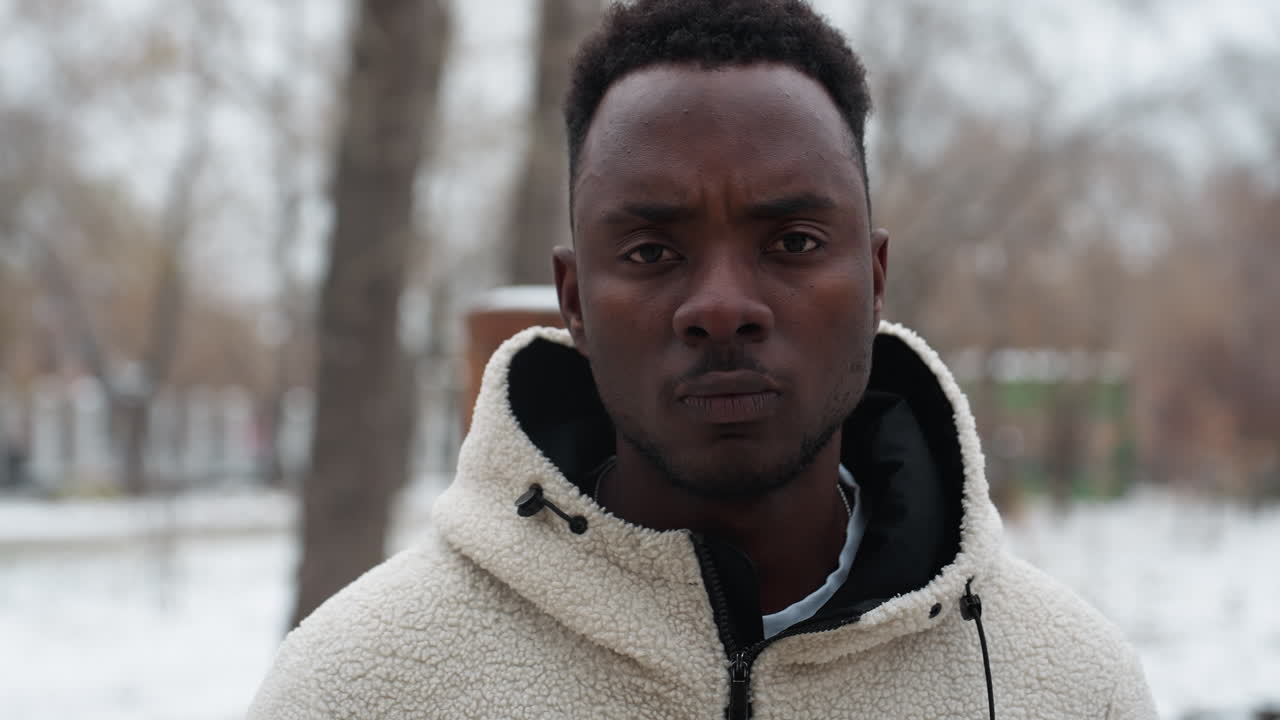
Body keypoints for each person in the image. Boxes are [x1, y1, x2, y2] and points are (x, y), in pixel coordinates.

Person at [249, 1, 1157, 717]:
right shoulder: (359, 689)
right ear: (573, 300)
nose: (722, 306)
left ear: (875, 278)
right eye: (651, 251)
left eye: (794, 241)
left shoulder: (1070, 687)